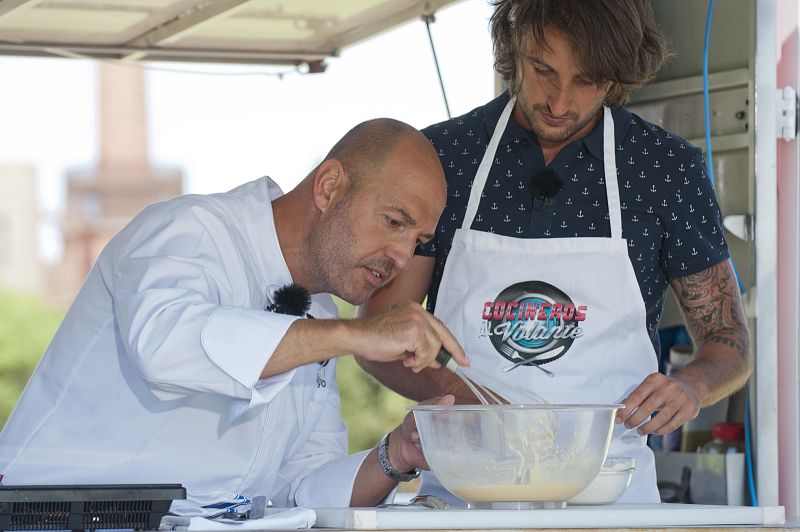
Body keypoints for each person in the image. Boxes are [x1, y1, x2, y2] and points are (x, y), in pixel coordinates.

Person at [358, 0, 751, 504]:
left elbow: (728, 340)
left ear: (616, 77)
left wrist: (692, 386)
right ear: (512, 46)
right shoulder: (445, 157)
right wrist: (479, 407)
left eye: (587, 80)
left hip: (613, 496)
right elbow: (379, 332)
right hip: (463, 491)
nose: (560, 102)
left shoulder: (664, 169)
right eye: (543, 70)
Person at [0, 118, 468, 509]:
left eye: (418, 241)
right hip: (50, 515)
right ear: (329, 187)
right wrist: (357, 334)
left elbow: (301, 489)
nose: (403, 258)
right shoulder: (190, 230)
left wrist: (396, 454)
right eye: (394, 222)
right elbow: (164, 345)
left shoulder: (323, 314)